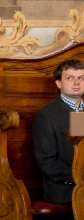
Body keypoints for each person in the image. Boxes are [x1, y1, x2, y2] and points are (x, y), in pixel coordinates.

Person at [33, 57, 84, 205]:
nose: (77, 82)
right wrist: (79, 176)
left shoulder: (80, 113)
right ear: (58, 83)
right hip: (64, 192)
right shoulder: (46, 115)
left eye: (81, 78)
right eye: (70, 78)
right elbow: (46, 162)